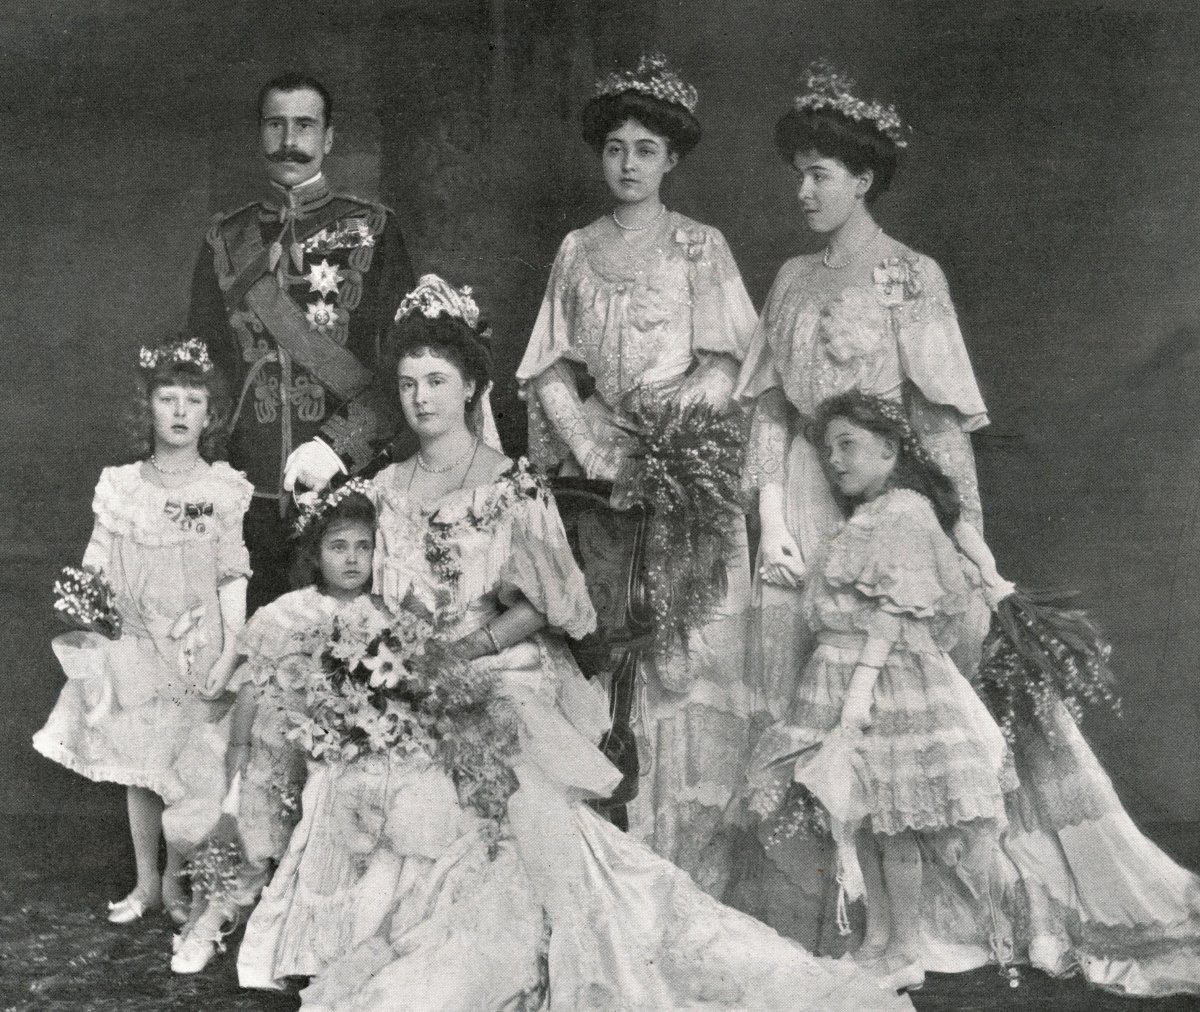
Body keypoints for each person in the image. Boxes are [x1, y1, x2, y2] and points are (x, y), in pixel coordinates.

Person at [238, 276, 914, 1010]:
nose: (421, 399)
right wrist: (390, 668)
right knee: (357, 765)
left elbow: (553, 601)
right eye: (407, 384)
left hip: (506, 675)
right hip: (417, 679)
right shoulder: (388, 488)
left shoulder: (512, 485)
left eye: (437, 381)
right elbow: (380, 600)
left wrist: (468, 651)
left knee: (495, 798)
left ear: (470, 388)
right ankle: (345, 942)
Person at [727, 62, 1009, 954]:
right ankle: (809, 914)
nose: (804, 190)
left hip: (889, 499)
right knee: (790, 681)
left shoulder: (910, 275)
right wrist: (772, 519)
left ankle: (898, 921)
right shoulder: (790, 278)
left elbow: (938, 420)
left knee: (882, 706)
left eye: (821, 175)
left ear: (864, 180)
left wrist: (966, 532)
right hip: (805, 495)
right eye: (798, 173)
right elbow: (771, 409)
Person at [515, 53, 758, 882]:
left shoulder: (701, 246)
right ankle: (607, 846)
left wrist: (661, 443)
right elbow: (546, 368)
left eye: (645, 149)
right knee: (598, 642)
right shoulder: (578, 249)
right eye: (615, 147)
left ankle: (685, 858)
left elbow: (728, 364)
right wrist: (590, 448)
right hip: (598, 473)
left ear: (671, 159)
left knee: (678, 651)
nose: (628, 163)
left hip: (679, 465)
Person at [747, 391, 1013, 994]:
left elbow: (896, 613)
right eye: (828, 449)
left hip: (884, 679)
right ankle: (876, 939)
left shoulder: (905, 510)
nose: (835, 460)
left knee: (893, 823)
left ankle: (905, 947)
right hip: (842, 669)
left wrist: (860, 694)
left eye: (849, 445)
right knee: (861, 818)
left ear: (890, 450)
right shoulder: (868, 516)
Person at [33, 338, 252, 927]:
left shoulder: (222, 488)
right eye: (167, 398)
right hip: (134, 643)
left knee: (185, 767)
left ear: (210, 414)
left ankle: (181, 885)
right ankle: (146, 882)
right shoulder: (122, 485)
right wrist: (107, 622)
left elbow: (233, 573)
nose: (180, 412)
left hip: (196, 644)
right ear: (147, 407)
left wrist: (231, 649)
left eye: (194, 400)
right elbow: (94, 568)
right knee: (139, 765)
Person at [186, 71, 414, 613]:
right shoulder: (224, 240)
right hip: (246, 487)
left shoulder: (375, 229)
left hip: (346, 486)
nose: (290, 140)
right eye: (276, 125)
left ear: (329, 138)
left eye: (305, 125)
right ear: (260, 133)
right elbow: (203, 369)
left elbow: (405, 367)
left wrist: (337, 448)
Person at [165, 482, 380, 974]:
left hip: (344, 750)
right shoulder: (287, 612)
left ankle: (316, 943)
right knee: (252, 829)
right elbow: (252, 686)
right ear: (315, 553)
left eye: (363, 548)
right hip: (278, 743)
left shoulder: (380, 615)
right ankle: (208, 922)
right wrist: (239, 745)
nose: (351, 560)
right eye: (338, 547)